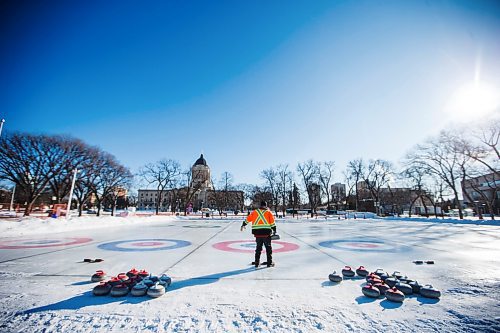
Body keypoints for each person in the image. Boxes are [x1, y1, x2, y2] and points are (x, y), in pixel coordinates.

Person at [240, 201, 277, 267]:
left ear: (260, 205)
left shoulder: (255, 212)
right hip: (266, 234)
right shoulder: (268, 212)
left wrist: (243, 224)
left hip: (257, 234)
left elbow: (248, 219)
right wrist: (274, 230)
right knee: (268, 249)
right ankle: (269, 263)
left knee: (258, 249)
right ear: (266, 205)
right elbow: (272, 223)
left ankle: (257, 263)